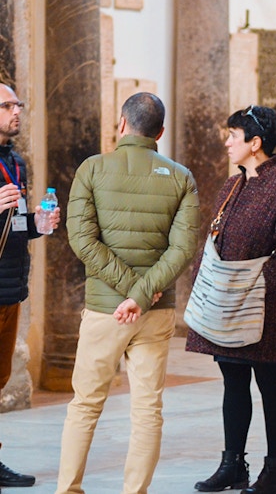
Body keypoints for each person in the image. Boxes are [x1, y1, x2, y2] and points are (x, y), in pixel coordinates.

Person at [55, 92, 200, 494]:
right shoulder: (180, 177)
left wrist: (127, 292)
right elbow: (183, 249)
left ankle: (68, 490)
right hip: (154, 313)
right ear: (161, 132)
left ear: (121, 124)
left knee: (84, 406)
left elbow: (82, 240)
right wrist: (142, 293)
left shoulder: (93, 169)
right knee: (148, 411)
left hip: (105, 310)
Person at [186, 105, 276, 494]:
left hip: (264, 307)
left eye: (233, 136)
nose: (227, 142)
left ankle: (275, 472)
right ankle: (232, 465)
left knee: (271, 384)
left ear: (255, 143)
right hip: (225, 304)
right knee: (232, 382)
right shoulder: (232, 185)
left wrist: (258, 284)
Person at [0, 82, 60, 489]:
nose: (16, 111)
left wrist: (36, 225)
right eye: (7, 105)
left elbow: (14, 224)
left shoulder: (16, 162)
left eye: (18, 104)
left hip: (10, 290)